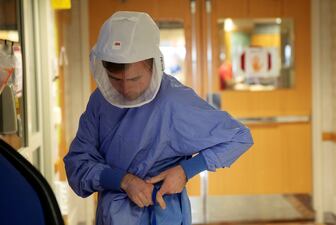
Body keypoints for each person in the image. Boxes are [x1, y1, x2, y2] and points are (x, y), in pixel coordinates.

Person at [64, 11, 253, 225]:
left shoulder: (174, 100)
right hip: (112, 217)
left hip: (163, 215)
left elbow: (239, 137)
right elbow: (77, 164)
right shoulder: (100, 101)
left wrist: (185, 170)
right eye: (115, 79)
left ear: (154, 64)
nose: (125, 89)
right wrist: (123, 181)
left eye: (135, 78)